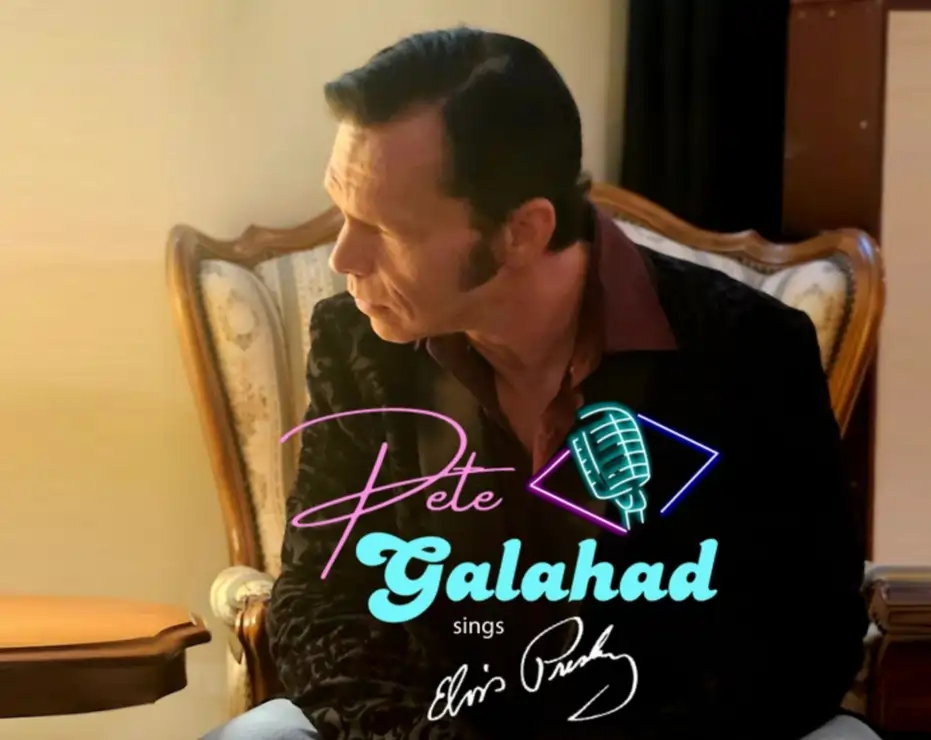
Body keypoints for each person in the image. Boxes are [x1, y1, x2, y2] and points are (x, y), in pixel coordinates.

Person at [202, 26, 874, 740]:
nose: (343, 257)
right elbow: (321, 601)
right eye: (343, 211)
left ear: (521, 231)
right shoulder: (355, 339)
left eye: (385, 229)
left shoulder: (751, 348)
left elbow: (809, 631)